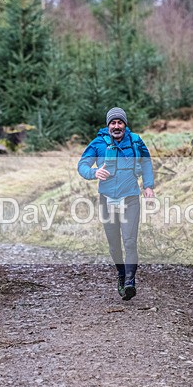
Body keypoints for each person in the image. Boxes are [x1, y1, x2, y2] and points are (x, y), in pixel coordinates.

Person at [77, 107, 155, 300]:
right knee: (114, 245)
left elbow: (146, 162)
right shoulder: (98, 143)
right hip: (107, 200)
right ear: (108, 125)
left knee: (129, 241)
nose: (117, 126)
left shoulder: (135, 141)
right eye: (113, 123)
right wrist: (93, 172)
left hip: (130, 198)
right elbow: (82, 165)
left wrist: (148, 186)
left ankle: (129, 281)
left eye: (120, 122)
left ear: (125, 124)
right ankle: (121, 273)